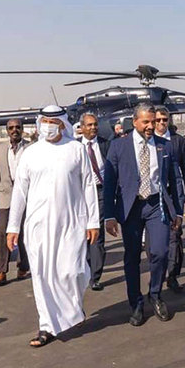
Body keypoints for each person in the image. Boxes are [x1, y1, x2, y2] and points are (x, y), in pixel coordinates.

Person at [5, 105, 100, 347]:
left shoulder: (76, 149)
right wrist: (13, 227)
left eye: (52, 121)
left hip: (71, 222)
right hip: (37, 225)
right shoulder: (31, 153)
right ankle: (46, 326)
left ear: (62, 124)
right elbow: (20, 192)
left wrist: (93, 221)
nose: (48, 125)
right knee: (42, 276)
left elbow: (88, 185)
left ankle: (72, 309)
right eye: (44, 121)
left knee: (73, 271)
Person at [103, 103, 185, 326]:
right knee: (132, 256)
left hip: (156, 205)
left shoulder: (164, 146)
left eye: (153, 121)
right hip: (130, 207)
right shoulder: (118, 146)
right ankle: (136, 303)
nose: (151, 126)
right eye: (146, 122)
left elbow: (175, 179)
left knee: (160, 252)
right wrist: (109, 215)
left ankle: (155, 294)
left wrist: (178, 211)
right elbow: (109, 183)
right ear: (135, 121)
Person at [154, 107, 185, 293]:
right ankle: (158, 272)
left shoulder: (178, 141)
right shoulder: (148, 140)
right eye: (158, 120)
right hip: (155, 195)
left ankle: (172, 275)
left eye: (165, 120)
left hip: (174, 193)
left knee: (175, 235)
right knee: (156, 239)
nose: (162, 123)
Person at [0, 118, 30, 285]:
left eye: (17, 127)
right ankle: (1, 270)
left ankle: (23, 266)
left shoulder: (31, 148)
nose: (15, 130)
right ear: (7, 131)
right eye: (11, 128)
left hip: (26, 197)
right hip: (5, 197)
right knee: (2, 234)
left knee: (24, 233)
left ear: (22, 129)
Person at [77, 112, 110, 291]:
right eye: (89, 125)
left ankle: (95, 276)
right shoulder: (75, 147)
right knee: (81, 233)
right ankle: (84, 268)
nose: (93, 128)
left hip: (101, 192)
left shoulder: (106, 144)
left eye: (95, 124)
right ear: (81, 128)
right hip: (80, 195)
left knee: (97, 233)